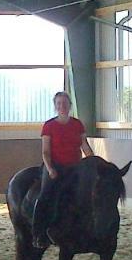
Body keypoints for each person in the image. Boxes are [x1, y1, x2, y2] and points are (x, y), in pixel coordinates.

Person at [32, 91, 94, 249]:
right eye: (59, 103)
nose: (62, 106)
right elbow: (45, 151)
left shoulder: (77, 124)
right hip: (54, 166)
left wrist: (93, 161)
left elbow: (84, 146)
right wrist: (50, 169)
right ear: (55, 106)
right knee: (45, 194)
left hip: (75, 166)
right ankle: (38, 232)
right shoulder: (49, 126)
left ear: (69, 106)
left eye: (65, 103)